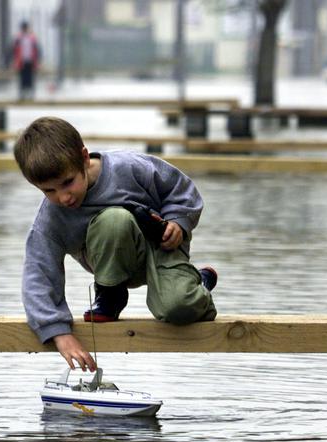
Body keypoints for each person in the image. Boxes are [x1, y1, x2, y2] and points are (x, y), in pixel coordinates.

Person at [14, 117, 218, 372]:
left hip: (161, 246)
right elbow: (38, 273)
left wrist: (179, 221)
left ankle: (197, 282)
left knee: (178, 309)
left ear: (84, 158)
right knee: (113, 221)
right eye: (48, 191)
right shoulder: (51, 219)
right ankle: (110, 297)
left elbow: (181, 189)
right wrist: (57, 332)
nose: (63, 197)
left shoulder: (130, 168)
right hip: (112, 264)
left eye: (67, 182)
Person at [12, 21, 41, 100]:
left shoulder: (32, 38)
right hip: (21, 61)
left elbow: (37, 50)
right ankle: (22, 94)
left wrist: (38, 61)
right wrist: (14, 61)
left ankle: (31, 94)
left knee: (30, 78)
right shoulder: (18, 38)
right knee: (22, 78)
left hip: (31, 61)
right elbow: (14, 50)